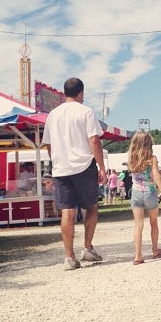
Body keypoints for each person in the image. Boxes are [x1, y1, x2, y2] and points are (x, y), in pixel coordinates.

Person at [41, 77, 107, 270]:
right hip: (84, 165)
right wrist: (101, 167)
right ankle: (87, 247)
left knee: (67, 211)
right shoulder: (86, 112)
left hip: (61, 168)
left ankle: (69, 257)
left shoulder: (53, 114)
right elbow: (94, 140)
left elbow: (49, 144)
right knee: (92, 206)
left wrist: (56, 160)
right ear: (81, 93)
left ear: (64, 93)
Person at [126, 131, 161, 265]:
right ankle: (155, 250)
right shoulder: (152, 158)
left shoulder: (131, 158)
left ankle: (138, 255)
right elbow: (156, 175)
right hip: (150, 193)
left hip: (136, 193)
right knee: (153, 222)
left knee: (138, 225)